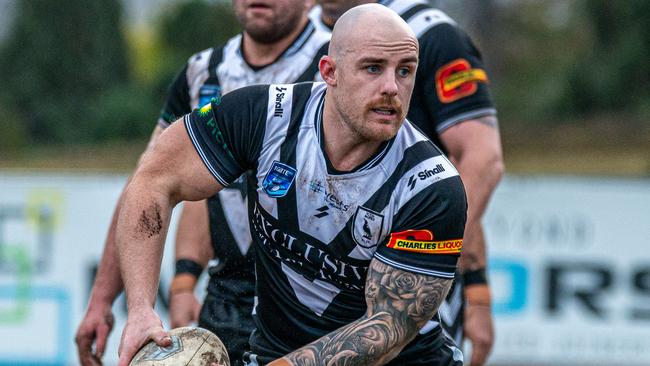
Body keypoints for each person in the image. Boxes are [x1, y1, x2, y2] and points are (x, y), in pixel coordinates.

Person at [116, 4, 467, 366]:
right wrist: (141, 309)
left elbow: (387, 329)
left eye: (405, 71)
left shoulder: (431, 186)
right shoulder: (262, 115)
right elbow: (154, 179)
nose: (392, 87)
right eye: (373, 68)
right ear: (329, 72)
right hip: (272, 352)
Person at [74, 0, 329, 364]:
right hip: (228, 298)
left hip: (311, 303)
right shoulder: (202, 71)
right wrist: (102, 301)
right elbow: (151, 181)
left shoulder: (340, 66)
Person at [310, 1, 504, 365]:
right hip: (303, 272)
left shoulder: (431, 34)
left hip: (400, 276)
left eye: (402, 72)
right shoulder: (294, 33)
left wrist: (476, 288)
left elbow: (481, 162)